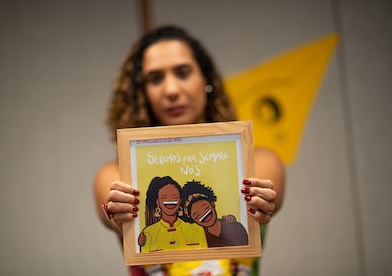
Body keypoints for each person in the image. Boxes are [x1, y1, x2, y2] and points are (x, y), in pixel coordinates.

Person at [94, 24, 285, 276]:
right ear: (142, 93)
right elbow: (111, 206)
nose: (171, 90)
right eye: (155, 78)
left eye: (183, 72)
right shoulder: (116, 173)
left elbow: (269, 195)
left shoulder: (259, 161)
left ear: (206, 80)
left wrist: (262, 200)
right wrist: (120, 212)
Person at [140, 176, 207, 253]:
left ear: (180, 200)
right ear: (158, 202)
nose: (170, 201)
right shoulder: (148, 233)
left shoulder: (197, 229)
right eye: (164, 197)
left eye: (175, 197)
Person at [181, 180, 248, 247]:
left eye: (205, 207)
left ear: (212, 204)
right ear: (193, 220)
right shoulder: (201, 238)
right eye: (196, 215)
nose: (203, 214)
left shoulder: (234, 227)